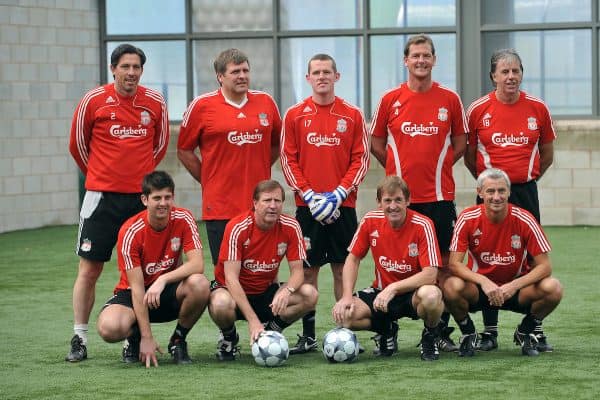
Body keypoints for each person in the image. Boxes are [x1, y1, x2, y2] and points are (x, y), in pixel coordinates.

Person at [66, 44, 170, 362]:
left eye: (136, 67)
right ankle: (79, 338)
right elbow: (78, 146)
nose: (131, 73)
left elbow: (160, 146)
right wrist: (102, 176)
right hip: (100, 199)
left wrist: (135, 181)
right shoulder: (93, 100)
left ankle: (134, 336)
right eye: (125, 66)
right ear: (114, 69)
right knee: (90, 269)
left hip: (140, 201)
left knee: (140, 271)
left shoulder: (154, 102)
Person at [369, 33, 468, 352]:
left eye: (427, 55)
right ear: (406, 61)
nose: (421, 60)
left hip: (438, 199)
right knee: (392, 260)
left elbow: (461, 144)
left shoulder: (450, 99)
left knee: (439, 267)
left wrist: (439, 168)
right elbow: (376, 143)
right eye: (415, 56)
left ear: (434, 60)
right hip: (400, 203)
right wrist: (396, 174)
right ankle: (388, 327)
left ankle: (436, 330)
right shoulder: (389, 99)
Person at [465, 48, 556, 351]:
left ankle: (532, 328)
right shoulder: (477, 110)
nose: (511, 76)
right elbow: (469, 156)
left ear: (521, 74)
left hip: (525, 191)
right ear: (493, 76)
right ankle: (489, 332)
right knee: (488, 256)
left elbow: (547, 154)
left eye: (515, 70)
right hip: (491, 193)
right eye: (504, 71)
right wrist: (490, 185)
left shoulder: (538, 108)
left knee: (531, 259)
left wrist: (524, 180)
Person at [280, 54, 369, 354]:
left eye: (327, 72)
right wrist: (309, 195)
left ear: (336, 76)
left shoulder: (352, 115)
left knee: (343, 269)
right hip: (307, 208)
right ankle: (308, 336)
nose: (322, 77)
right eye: (316, 72)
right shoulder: (294, 115)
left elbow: (361, 159)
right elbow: (288, 159)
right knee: (307, 273)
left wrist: (339, 194)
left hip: (343, 206)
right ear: (308, 78)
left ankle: (345, 331)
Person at [177, 48, 281, 266]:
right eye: (235, 72)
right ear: (220, 76)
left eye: (245, 70)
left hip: (259, 206)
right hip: (220, 206)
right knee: (226, 273)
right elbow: (184, 150)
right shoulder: (202, 106)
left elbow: (277, 143)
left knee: (261, 269)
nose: (242, 76)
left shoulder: (266, 102)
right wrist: (208, 179)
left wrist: (260, 167)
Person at [444, 168, 562, 357]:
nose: (496, 197)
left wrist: (514, 285)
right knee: (450, 286)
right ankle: (468, 334)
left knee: (553, 288)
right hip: (480, 290)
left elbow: (545, 266)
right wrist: (484, 281)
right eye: (490, 191)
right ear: (480, 193)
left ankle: (525, 330)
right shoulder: (467, 218)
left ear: (509, 191)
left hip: (515, 290)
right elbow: (454, 264)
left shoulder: (525, 219)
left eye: (501, 190)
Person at [96, 171, 210, 367]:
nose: (163, 203)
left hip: (167, 292)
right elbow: (137, 288)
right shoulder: (131, 231)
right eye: (157, 198)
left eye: (167, 197)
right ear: (145, 199)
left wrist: (163, 279)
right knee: (109, 328)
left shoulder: (184, 218)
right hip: (134, 293)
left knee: (200, 283)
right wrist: (147, 337)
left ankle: (178, 341)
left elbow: (197, 264)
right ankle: (135, 336)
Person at [332, 176, 444, 361]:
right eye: (388, 200)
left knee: (432, 296)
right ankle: (387, 330)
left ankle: (430, 335)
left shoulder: (423, 224)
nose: (393, 206)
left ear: (408, 201)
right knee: (345, 316)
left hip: (413, 294)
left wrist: (393, 288)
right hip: (381, 293)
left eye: (398, 200)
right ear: (379, 203)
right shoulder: (370, 221)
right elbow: (352, 259)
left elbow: (431, 274)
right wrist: (346, 296)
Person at [208, 180, 318, 360]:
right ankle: (229, 338)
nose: (273, 206)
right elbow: (230, 279)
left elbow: (298, 272)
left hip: (265, 292)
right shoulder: (238, 227)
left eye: (277, 201)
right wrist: (252, 321)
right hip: (232, 293)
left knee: (309, 294)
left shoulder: (291, 226)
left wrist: (287, 290)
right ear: (255, 203)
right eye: (267, 201)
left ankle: (271, 331)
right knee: (220, 303)